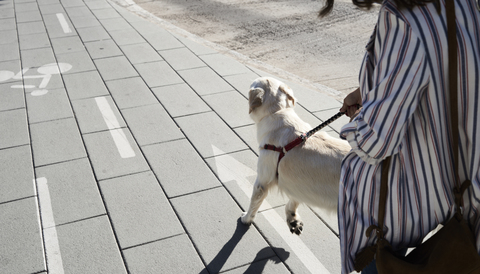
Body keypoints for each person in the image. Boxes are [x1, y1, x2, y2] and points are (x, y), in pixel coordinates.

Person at [320, 0, 480, 273]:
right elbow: (445, 65)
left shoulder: (402, 19)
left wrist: (357, 123)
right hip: (463, 188)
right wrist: (372, 91)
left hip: (406, 200)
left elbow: (376, 141)